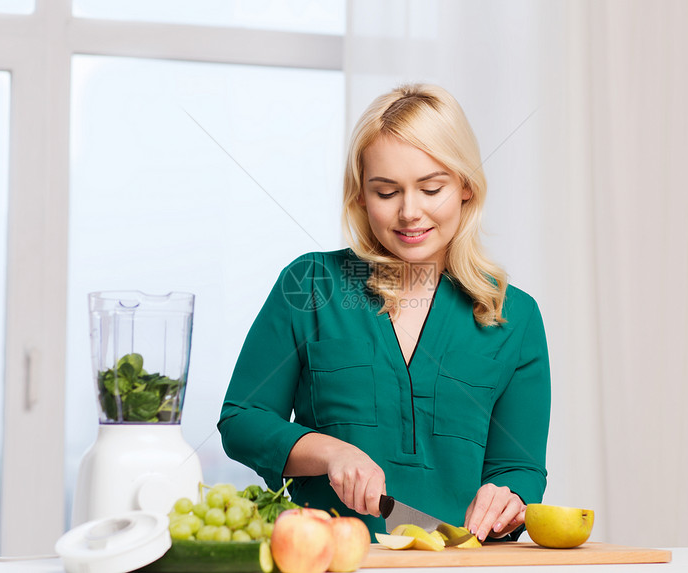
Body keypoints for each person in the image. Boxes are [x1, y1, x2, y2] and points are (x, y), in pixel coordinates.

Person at [218, 83, 551, 542]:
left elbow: (521, 466)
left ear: (466, 188)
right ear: (360, 196)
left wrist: (509, 496)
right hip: (327, 559)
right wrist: (331, 452)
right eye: (386, 191)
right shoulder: (310, 284)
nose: (409, 212)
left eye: (431, 188)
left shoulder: (514, 316)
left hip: (459, 563)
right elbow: (242, 419)